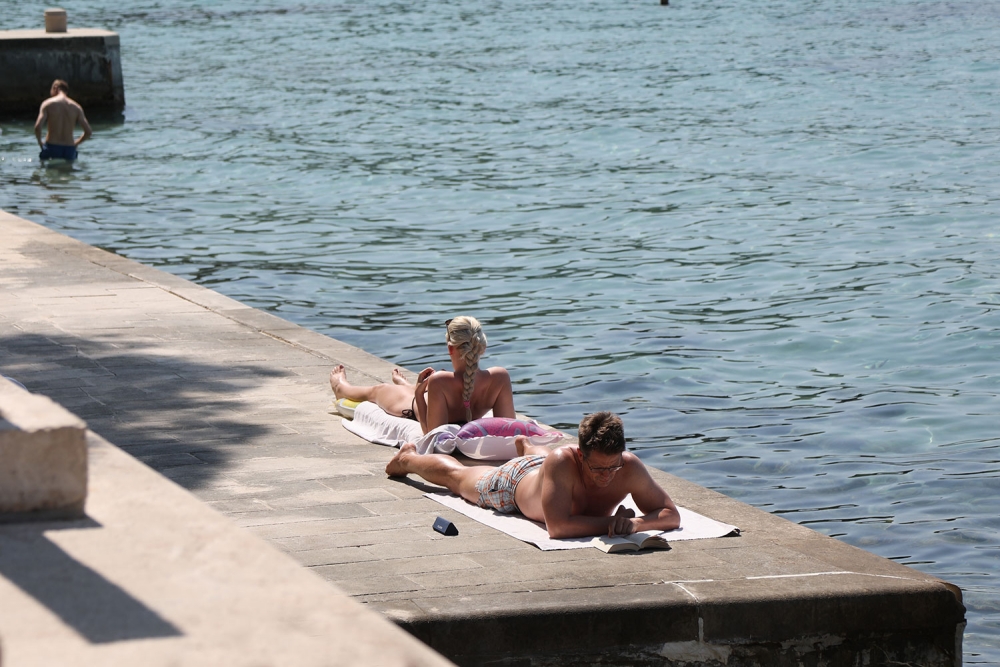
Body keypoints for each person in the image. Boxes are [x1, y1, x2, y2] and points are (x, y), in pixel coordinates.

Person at [385, 411, 681, 539]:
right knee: (459, 478)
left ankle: (526, 447)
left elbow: (671, 515)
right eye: (598, 469)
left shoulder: (628, 466)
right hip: (513, 484)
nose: (607, 476)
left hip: (544, 471)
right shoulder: (563, 460)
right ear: (581, 456)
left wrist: (635, 524)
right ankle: (408, 459)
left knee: (545, 461)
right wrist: (615, 524)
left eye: (612, 467)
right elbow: (559, 528)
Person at [330, 316, 515, 434]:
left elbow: (431, 436)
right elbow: (509, 430)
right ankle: (406, 385)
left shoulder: (440, 380)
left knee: (379, 390)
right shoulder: (500, 377)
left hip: (413, 405)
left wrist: (419, 394)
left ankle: (341, 387)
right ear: (482, 348)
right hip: (436, 391)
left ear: (450, 349)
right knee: (432, 384)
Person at [34, 79, 92, 161]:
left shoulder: (47, 104)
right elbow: (88, 132)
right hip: (69, 149)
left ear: (55, 88)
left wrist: (40, 142)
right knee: (68, 169)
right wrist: (76, 143)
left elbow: (37, 127)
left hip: (52, 146)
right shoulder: (77, 107)